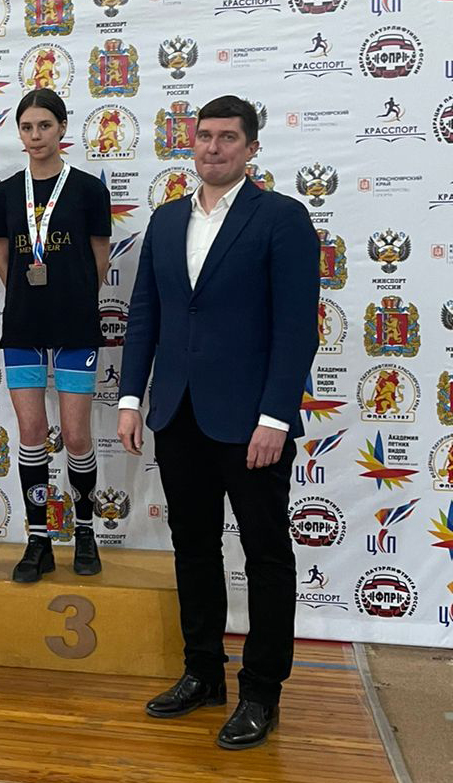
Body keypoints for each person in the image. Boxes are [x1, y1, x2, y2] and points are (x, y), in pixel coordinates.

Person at [117, 94, 318, 750]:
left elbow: (296, 329)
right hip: (178, 413)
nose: (213, 147)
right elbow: (145, 315)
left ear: (251, 148)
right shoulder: (167, 219)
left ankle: (262, 692)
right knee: (194, 548)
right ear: (192, 142)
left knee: (266, 555)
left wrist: (276, 416)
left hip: (253, 422)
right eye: (204, 136)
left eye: (228, 137)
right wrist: (130, 399)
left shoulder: (282, 218)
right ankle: (203, 672)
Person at [0, 88, 111, 582]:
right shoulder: (3, 194)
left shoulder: (88, 190)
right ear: (19, 132)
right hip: (23, 326)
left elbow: (99, 258)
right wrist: (30, 299)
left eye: (44, 126)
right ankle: (38, 539)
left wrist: (73, 298)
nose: (35, 136)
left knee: (76, 435)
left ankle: (85, 531)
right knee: (33, 433)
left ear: (62, 128)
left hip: (75, 325)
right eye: (27, 127)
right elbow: (4, 261)